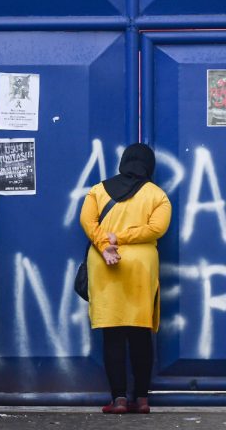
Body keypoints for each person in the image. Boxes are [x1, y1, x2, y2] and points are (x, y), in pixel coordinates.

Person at [79, 143, 171, 414]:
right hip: (142, 269)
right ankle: (141, 399)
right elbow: (157, 228)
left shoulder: (97, 190)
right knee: (140, 334)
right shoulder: (157, 195)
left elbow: (87, 222)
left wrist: (107, 242)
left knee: (113, 334)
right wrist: (126, 236)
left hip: (106, 263)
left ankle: (118, 399)